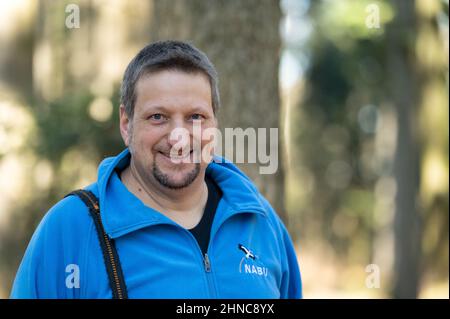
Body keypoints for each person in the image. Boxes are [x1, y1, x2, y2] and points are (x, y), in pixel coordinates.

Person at [10, 40, 302, 299]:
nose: (178, 136)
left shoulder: (260, 221)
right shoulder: (72, 227)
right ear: (127, 124)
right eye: (158, 117)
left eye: (195, 117)